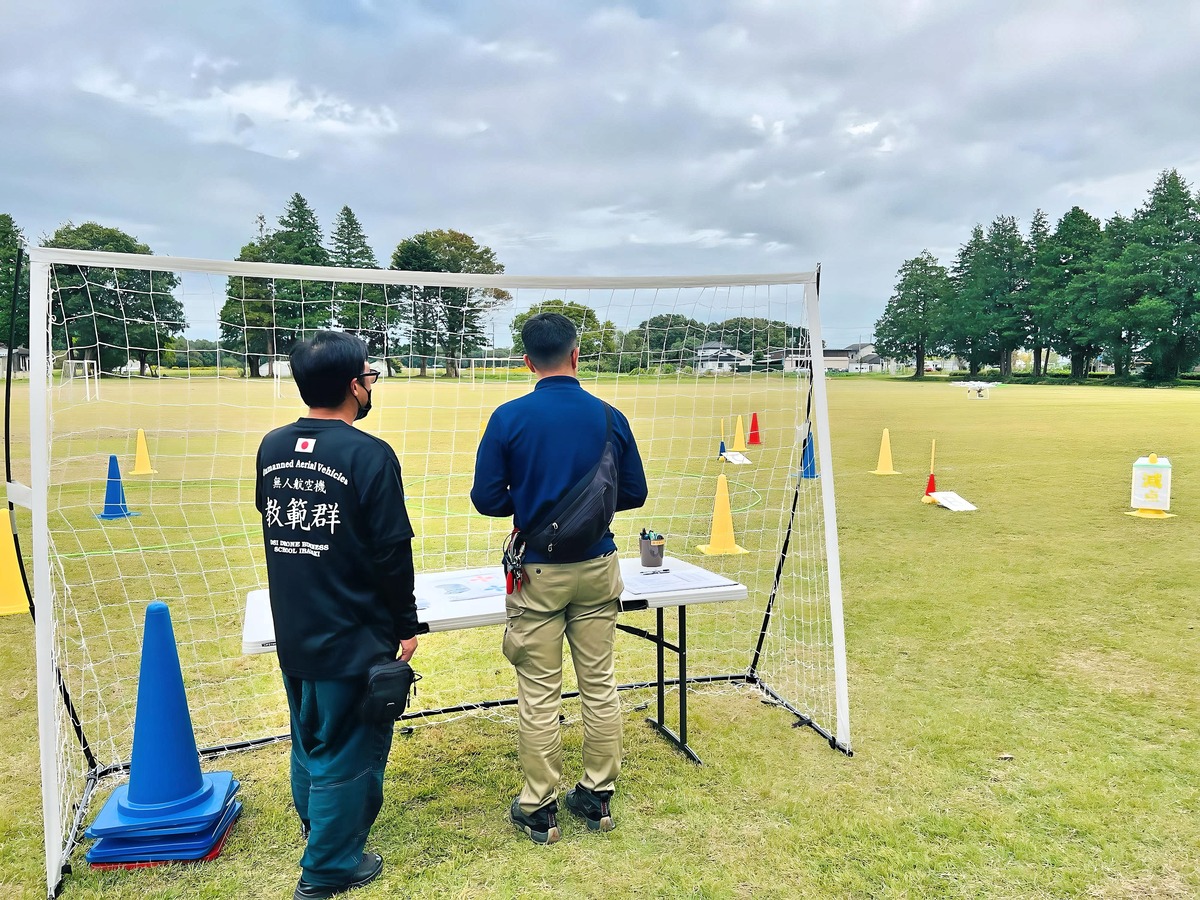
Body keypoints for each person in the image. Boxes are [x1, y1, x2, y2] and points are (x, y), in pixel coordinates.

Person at [254, 331, 427, 900]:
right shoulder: (368, 454)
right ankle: (328, 867)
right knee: (348, 747)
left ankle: (317, 830)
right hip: (352, 634)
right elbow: (390, 550)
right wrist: (405, 623)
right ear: (355, 385)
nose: (370, 386)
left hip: (297, 626)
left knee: (309, 738)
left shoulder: (272, 447)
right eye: (369, 377)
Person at [471, 312, 648, 844]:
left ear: (527, 361)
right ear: (576, 355)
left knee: (539, 692)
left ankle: (539, 805)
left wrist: (528, 501)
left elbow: (486, 499)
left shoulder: (509, 417)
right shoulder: (610, 416)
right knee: (600, 684)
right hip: (598, 566)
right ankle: (597, 796)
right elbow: (634, 492)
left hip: (537, 572)